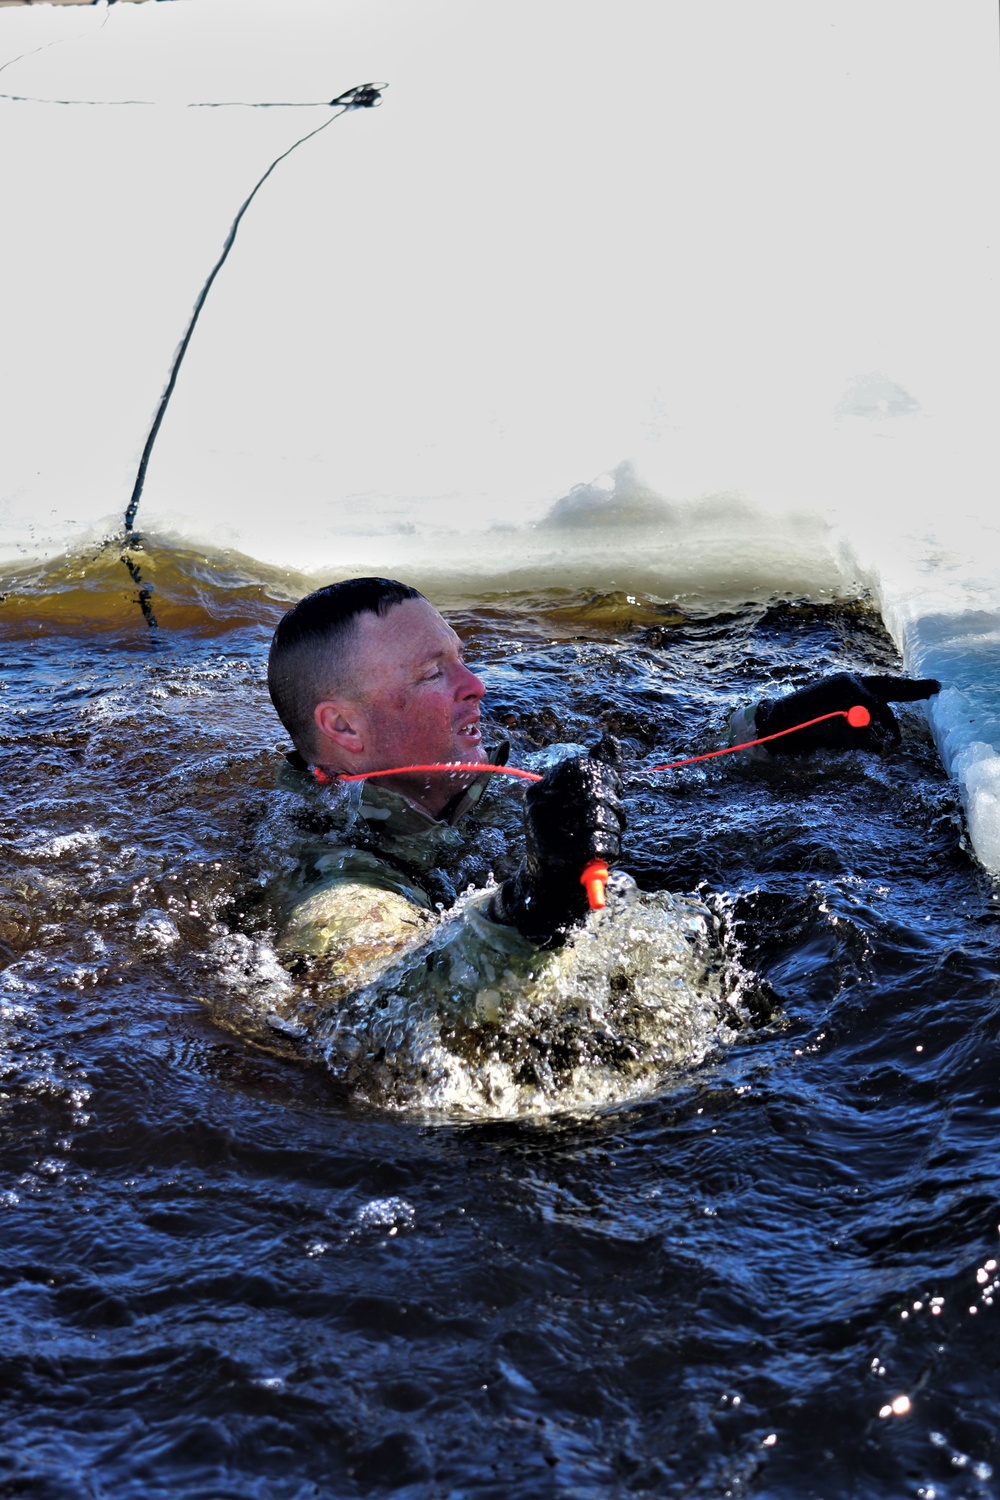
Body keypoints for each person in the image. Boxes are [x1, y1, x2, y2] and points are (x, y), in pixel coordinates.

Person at [258, 576, 939, 1106]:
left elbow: (654, 769)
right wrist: (538, 898)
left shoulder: (484, 768)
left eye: (461, 660)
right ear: (344, 730)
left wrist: (774, 726)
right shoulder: (325, 864)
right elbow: (379, 1015)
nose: (476, 687)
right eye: (434, 674)